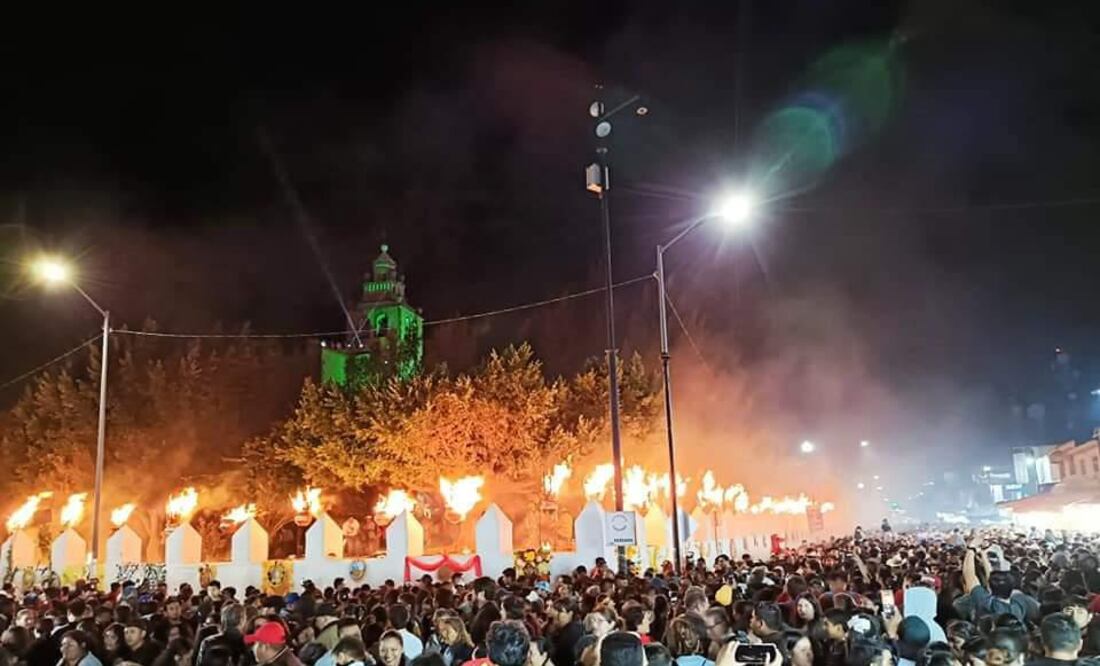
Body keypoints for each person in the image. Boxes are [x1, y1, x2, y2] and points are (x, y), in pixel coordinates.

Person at [548, 599, 582, 666]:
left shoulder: (570, 634)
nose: (555, 622)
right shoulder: (576, 626)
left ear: (570, 614)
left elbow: (557, 657)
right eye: (553, 619)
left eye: (557, 617)